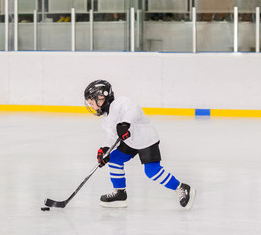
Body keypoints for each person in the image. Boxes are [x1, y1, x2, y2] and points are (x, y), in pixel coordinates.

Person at [84, 80, 196, 209]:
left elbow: (135, 109)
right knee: (114, 159)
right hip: (130, 142)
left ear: (101, 97)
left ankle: (181, 187)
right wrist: (105, 150)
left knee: (151, 171)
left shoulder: (120, 102)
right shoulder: (106, 118)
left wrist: (125, 123)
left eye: (92, 103)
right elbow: (112, 136)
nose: (91, 106)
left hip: (145, 138)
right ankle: (120, 193)